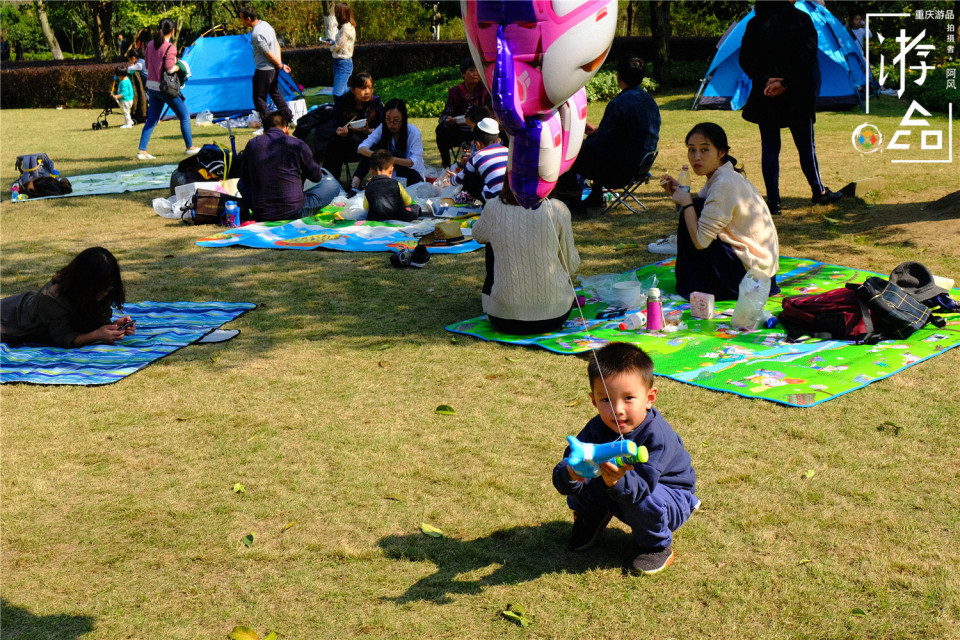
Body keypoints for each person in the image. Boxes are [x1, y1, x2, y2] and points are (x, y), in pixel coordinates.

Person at [552, 342, 699, 576]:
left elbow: (641, 489)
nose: (617, 409)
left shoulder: (657, 437)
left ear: (650, 398)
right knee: (584, 476)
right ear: (593, 400)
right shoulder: (596, 428)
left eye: (629, 398)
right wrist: (572, 473)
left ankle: (656, 545)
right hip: (620, 489)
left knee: (643, 500)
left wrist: (617, 481)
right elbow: (567, 467)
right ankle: (590, 518)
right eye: (606, 400)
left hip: (668, 496)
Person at [739, 1, 842, 214]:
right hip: (798, 94)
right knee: (806, 147)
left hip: (766, 94)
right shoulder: (801, 19)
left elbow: (745, 59)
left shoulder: (755, 22)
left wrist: (767, 80)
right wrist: (785, 83)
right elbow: (808, 56)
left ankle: (774, 203)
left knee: (769, 148)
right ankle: (819, 192)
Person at [660, 122, 780, 301]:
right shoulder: (723, 175)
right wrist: (681, 193)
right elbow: (703, 207)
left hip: (750, 279)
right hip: (760, 275)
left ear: (721, 152)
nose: (696, 157)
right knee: (697, 206)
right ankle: (696, 281)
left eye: (705, 150)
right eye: (691, 150)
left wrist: (686, 203)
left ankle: (694, 284)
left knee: (694, 208)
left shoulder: (724, 182)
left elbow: (700, 241)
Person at [555, 54, 660, 213]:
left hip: (619, 171)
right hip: (641, 165)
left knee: (571, 152)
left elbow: (602, 144)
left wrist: (578, 143)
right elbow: (626, 133)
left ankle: (573, 201)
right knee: (591, 145)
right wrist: (597, 131)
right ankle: (596, 196)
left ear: (618, 76)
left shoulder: (618, 104)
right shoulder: (649, 101)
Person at [470, 184, 580, 335]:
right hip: (554, 315)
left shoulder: (493, 206)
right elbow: (571, 265)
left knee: (491, 242)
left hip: (503, 318)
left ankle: (501, 297)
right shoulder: (557, 208)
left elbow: (478, 235)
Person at [1, 247, 135, 349]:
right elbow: (64, 338)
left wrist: (112, 327)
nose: (105, 293)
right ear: (84, 284)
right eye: (100, 290)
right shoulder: (52, 298)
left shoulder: (106, 289)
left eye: (108, 288)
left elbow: (92, 322)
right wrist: (97, 335)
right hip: (9, 322)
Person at [238, 112, 341, 222]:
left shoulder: (252, 144)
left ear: (264, 131)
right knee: (332, 185)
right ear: (286, 129)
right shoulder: (297, 144)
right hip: (294, 211)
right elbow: (316, 176)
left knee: (240, 183)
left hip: (262, 211)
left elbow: (245, 179)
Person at [137, 18, 199, 160]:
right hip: (166, 89)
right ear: (172, 31)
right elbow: (170, 69)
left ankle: (142, 150)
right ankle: (190, 147)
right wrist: (181, 66)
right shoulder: (170, 47)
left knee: (152, 119)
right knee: (184, 115)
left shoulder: (150, 45)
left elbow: (146, 67)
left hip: (152, 88)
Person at [325, 72, 384, 188]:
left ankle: (356, 181)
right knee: (333, 144)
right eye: (362, 88)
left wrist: (369, 131)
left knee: (373, 145)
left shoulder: (376, 102)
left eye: (370, 88)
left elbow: (382, 128)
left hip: (369, 141)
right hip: (348, 143)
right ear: (352, 89)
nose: (367, 92)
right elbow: (335, 125)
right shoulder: (342, 102)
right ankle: (331, 182)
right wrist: (341, 131)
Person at [239, 6, 294, 126]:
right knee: (275, 93)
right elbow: (277, 44)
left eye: (242, 19)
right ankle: (290, 118)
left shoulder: (256, 34)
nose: (241, 21)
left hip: (264, 69)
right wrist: (280, 64)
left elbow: (268, 53)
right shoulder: (266, 24)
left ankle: (269, 124)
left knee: (259, 99)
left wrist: (280, 64)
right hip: (273, 68)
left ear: (248, 19)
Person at [356, 98, 426, 188]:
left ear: (403, 119)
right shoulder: (382, 128)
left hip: (412, 176)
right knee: (373, 150)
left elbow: (415, 161)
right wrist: (377, 155)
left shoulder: (414, 133)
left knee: (396, 153)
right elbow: (362, 147)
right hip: (390, 175)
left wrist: (391, 159)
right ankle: (355, 182)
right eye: (388, 120)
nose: (391, 124)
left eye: (396, 120)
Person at [435, 58, 491, 167]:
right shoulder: (455, 92)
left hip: (478, 129)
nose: (475, 73)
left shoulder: (485, 90)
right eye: (471, 70)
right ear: (463, 74)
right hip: (459, 130)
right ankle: (445, 164)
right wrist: (448, 121)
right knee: (440, 130)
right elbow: (445, 114)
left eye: (477, 70)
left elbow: (489, 112)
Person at [448, 118, 508, 202]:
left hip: (494, 202)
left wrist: (452, 179)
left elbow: (462, 178)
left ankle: (484, 204)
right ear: (499, 141)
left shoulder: (477, 156)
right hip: (514, 198)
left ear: (478, 144)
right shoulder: (508, 150)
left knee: (469, 177)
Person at [363, 150, 422, 222]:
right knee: (416, 208)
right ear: (391, 170)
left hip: (376, 218)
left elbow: (366, 207)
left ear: (372, 171)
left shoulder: (368, 186)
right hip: (398, 216)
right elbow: (408, 201)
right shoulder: (396, 183)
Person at [330, 3, 357, 97]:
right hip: (340, 62)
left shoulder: (345, 28)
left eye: (336, 12)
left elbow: (339, 45)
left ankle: (340, 111)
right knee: (343, 92)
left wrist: (331, 46)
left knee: (337, 93)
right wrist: (333, 42)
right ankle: (348, 110)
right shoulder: (348, 26)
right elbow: (343, 43)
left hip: (343, 63)